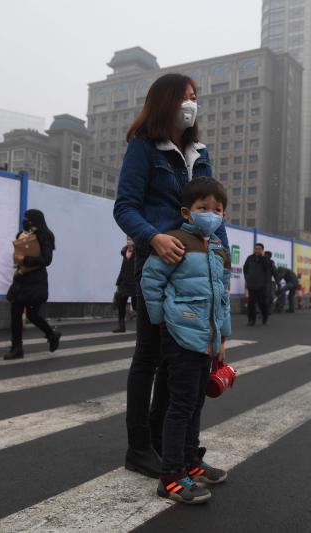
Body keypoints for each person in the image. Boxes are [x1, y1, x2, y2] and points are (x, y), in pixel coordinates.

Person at [113, 73, 228, 478]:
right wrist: (154, 238)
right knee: (149, 355)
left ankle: (174, 447)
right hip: (158, 267)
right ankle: (139, 446)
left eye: (195, 97)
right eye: (185, 97)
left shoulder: (200, 153)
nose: (192, 104)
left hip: (196, 271)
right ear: (165, 102)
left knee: (178, 361)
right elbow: (124, 207)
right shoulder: (144, 148)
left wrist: (223, 258)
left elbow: (212, 209)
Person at [140, 177, 230, 504]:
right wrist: (162, 321)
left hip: (207, 340)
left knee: (195, 402)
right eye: (203, 208)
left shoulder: (218, 249)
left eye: (217, 209)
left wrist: (223, 337)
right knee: (180, 407)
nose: (211, 214)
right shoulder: (176, 241)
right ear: (187, 212)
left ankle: (191, 463)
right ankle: (171, 476)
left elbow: (222, 298)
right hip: (181, 337)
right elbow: (151, 281)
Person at [5, 209, 61, 359]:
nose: (24, 221)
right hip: (21, 279)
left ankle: (52, 335)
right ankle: (17, 348)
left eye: (27, 218)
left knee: (33, 315)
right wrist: (18, 258)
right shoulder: (21, 235)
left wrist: (25, 260)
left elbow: (46, 260)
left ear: (35, 221)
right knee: (15, 314)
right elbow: (16, 254)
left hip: (35, 281)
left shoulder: (45, 236)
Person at [243, 243, 273, 325]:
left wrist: (263, 257)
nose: (257, 250)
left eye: (259, 249)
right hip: (251, 284)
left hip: (262, 285)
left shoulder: (266, 259)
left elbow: (268, 267)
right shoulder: (250, 258)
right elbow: (245, 268)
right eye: (256, 248)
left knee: (262, 303)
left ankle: (265, 316)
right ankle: (251, 320)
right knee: (251, 303)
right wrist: (247, 278)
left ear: (262, 250)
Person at [113, 237, 137, 333]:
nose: (129, 241)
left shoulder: (138, 252)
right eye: (128, 239)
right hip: (124, 282)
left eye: (131, 239)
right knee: (121, 304)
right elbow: (123, 268)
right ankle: (121, 325)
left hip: (134, 282)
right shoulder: (124, 252)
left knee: (136, 306)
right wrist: (118, 282)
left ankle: (140, 327)